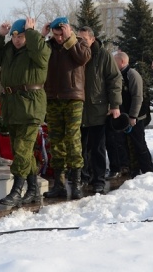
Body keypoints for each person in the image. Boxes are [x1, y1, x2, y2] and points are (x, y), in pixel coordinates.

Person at [0, 18, 50, 206]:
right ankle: (34, 189)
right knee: (22, 150)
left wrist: (32, 32)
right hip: (12, 105)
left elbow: (41, 53)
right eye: (14, 36)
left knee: (22, 149)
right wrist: (0, 36)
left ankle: (17, 189)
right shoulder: (9, 51)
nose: (17, 40)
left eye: (21, 36)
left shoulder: (37, 51)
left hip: (31, 105)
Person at [42, 17, 91, 200]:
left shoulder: (79, 43)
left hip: (73, 97)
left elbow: (83, 58)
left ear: (68, 31)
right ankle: (59, 185)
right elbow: (35, 55)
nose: (59, 38)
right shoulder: (49, 46)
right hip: (53, 98)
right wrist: (42, 36)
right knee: (56, 140)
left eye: (61, 35)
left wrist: (70, 40)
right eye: (56, 35)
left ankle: (76, 183)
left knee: (72, 138)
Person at [77, 26, 122, 194]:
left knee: (97, 148)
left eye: (84, 39)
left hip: (98, 109)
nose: (81, 42)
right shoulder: (75, 53)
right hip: (79, 109)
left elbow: (114, 79)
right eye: (78, 39)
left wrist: (115, 105)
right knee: (79, 148)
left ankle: (99, 180)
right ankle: (82, 177)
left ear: (92, 39)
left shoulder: (103, 55)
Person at [114, 52, 153, 177]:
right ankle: (133, 169)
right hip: (124, 116)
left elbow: (137, 97)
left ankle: (148, 171)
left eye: (114, 61)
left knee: (139, 144)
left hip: (136, 117)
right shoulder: (119, 75)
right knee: (126, 145)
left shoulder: (132, 74)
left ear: (122, 62)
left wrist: (133, 116)